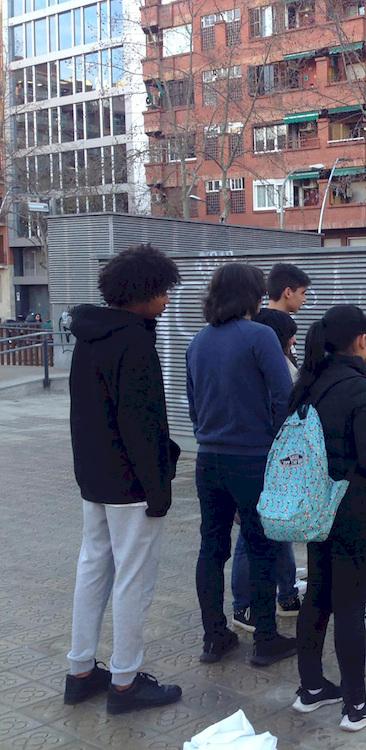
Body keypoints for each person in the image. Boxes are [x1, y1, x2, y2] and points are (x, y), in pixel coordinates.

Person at [65, 244, 183, 714]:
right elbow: (142, 423)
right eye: (163, 291)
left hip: (94, 477)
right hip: (131, 483)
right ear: (143, 292)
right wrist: (159, 489)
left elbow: (83, 413)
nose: (167, 300)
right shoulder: (134, 342)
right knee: (134, 579)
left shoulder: (88, 335)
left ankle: (80, 671)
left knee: (93, 568)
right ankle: (125, 682)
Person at [291, 305, 366, 731]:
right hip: (354, 510)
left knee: (318, 594)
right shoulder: (358, 388)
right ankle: (356, 705)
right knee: (351, 607)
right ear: (361, 341)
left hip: (317, 508)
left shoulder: (309, 383)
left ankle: (312, 687)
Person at [186, 263, 297, 667]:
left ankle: (214, 637)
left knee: (211, 548)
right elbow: (284, 398)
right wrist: (279, 446)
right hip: (253, 459)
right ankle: (265, 640)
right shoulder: (260, 336)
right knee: (261, 546)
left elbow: (193, 404)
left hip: (208, 458)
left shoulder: (198, 341)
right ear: (252, 295)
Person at [230, 308, 301, 632]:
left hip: (271, 460)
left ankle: (286, 594)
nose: (294, 341)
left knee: (277, 526)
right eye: (291, 336)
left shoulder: (261, 359)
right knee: (251, 533)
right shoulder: (267, 363)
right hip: (263, 459)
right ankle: (243, 606)